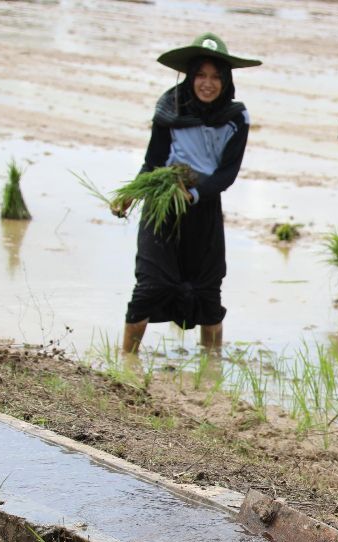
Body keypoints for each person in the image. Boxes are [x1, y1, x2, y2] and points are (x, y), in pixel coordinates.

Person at [119, 33, 260, 353]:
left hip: (204, 208)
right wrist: (131, 192)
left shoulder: (237, 117)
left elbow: (227, 173)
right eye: (200, 75)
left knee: (208, 293)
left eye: (215, 77)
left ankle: (211, 367)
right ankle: (126, 361)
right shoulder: (170, 107)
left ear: (226, 80)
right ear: (190, 76)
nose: (207, 83)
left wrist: (194, 194)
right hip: (163, 205)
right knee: (150, 287)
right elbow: (154, 161)